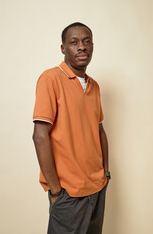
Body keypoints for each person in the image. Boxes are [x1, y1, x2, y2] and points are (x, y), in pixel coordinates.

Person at [32, 22, 111, 234]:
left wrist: (106, 172)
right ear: (63, 48)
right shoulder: (51, 78)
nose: (81, 47)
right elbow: (40, 136)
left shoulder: (94, 86)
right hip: (69, 193)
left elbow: (99, 130)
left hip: (97, 187)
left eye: (86, 42)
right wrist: (56, 191)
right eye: (74, 42)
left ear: (92, 46)